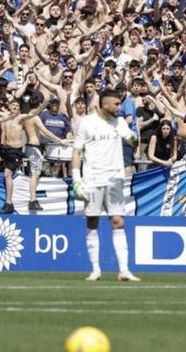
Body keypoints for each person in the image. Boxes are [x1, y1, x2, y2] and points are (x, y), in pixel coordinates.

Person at [72, 89, 140, 282]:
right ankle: (95, 269)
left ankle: (124, 270)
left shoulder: (119, 122)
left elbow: (133, 142)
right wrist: (77, 179)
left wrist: (132, 137)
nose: (120, 107)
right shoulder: (87, 123)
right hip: (92, 180)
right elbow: (76, 152)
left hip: (115, 180)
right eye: (117, 104)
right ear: (105, 105)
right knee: (92, 222)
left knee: (118, 222)